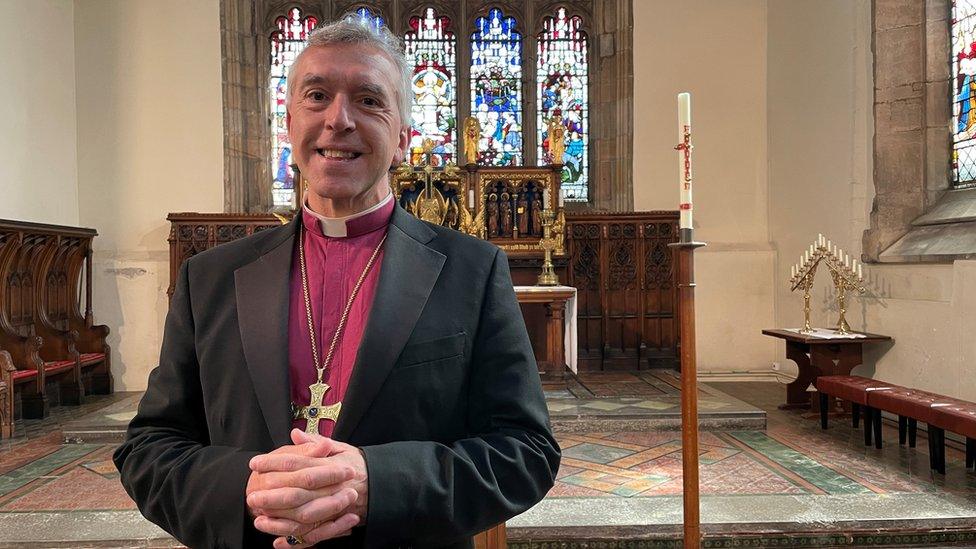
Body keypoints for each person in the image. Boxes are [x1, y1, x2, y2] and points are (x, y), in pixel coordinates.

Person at [113, 15, 559, 549]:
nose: (338, 119)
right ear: (289, 126)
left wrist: (380, 483)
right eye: (317, 95)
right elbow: (148, 449)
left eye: (369, 100)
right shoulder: (209, 278)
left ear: (402, 140)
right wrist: (247, 489)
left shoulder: (472, 270)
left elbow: (526, 450)